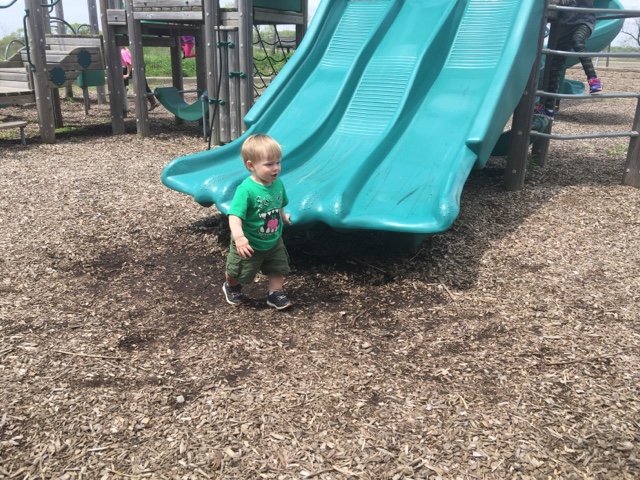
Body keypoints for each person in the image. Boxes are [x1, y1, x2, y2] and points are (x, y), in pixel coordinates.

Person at [222, 134, 293, 310]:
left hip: (273, 240)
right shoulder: (246, 190)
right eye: (269, 164)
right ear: (251, 165)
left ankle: (275, 293)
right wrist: (239, 238)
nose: (276, 168)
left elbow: (279, 203)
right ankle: (231, 286)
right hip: (249, 242)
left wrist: (283, 216)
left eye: (278, 162)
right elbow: (234, 216)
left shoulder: (278, 183)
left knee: (277, 267)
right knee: (238, 271)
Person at [535, 0, 602, 118]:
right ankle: (549, 108)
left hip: (583, 21)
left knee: (577, 41)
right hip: (564, 26)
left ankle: (593, 79)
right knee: (555, 66)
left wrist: (559, 1)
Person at [120, 46, 159, 112]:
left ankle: (152, 102)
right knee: (144, 86)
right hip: (134, 68)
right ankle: (153, 102)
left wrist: (128, 74)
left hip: (134, 69)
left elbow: (129, 63)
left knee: (143, 86)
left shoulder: (122, 52)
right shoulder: (123, 51)